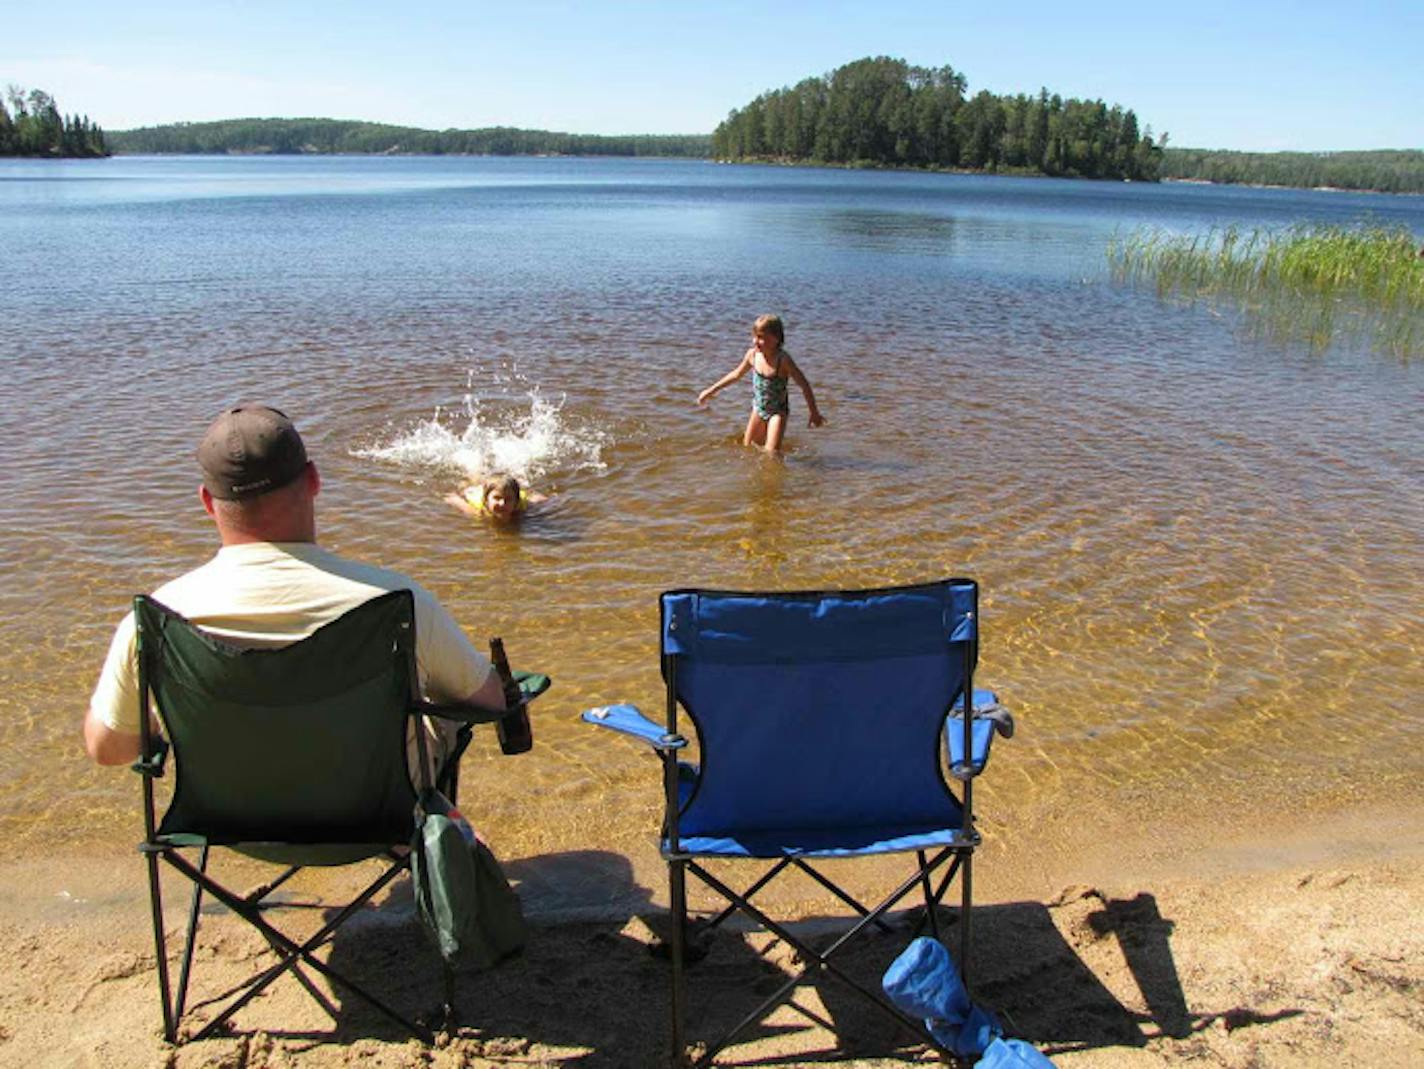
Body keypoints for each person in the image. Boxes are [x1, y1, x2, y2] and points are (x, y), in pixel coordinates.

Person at [83, 404, 506, 778]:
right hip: (374, 813)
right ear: (314, 480)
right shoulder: (396, 602)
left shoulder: (156, 619)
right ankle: (431, 844)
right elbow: (490, 701)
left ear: (208, 503)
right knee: (438, 705)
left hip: (228, 819)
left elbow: (107, 748)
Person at [697, 314, 825, 453]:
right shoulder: (752, 355)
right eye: (754, 336)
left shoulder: (783, 360)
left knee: (771, 453)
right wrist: (710, 391)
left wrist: (814, 412)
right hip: (759, 408)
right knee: (748, 448)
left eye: (761, 337)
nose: (755, 341)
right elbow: (735, 375)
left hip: (778, 412)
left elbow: (804, 385)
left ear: (776, 338)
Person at [443, 472, 547, 524]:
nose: (502, 503)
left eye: (508, 500)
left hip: (508, 492)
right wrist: (453, 497)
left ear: (516, 501)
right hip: (476, 491)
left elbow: (539, 498)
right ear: (486, 501)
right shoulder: (478, 512)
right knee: (470, 483)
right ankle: (474, 472)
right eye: (497, 498)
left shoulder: (523, 506)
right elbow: (453, 499)